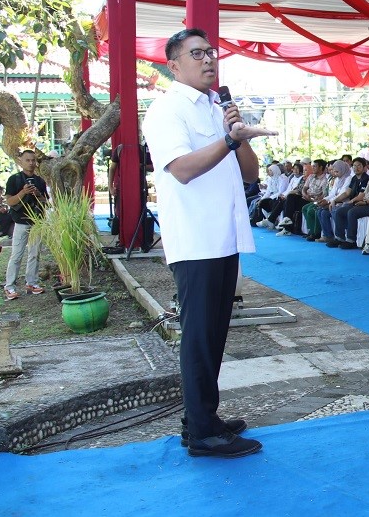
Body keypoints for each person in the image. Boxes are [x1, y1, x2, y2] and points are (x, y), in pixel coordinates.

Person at [141, 27, 276, 458]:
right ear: (173, 65)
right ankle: (202, 434)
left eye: (211, 52)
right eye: (197, 54)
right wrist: (227, 139)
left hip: (224, 235)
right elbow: (182, 169)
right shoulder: (167, 109)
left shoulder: (218, 107)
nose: (208, 60)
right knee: (199, 336)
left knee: (215, 332)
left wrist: (237, 133)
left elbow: (250, 173)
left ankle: (202, 418)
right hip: (196, 238)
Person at [3, 150, 49, 300]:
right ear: (21, 161)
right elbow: (10, 202)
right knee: (17, 255)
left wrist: (38, 194)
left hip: (37, 221)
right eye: (27, 160)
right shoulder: (14, 180)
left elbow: (46, 202)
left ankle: (32, 283)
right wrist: (23, 192)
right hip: (21, 222)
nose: (31, 163)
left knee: (35, 254)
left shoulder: (40, 181)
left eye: (33, 160)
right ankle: (9, 286)